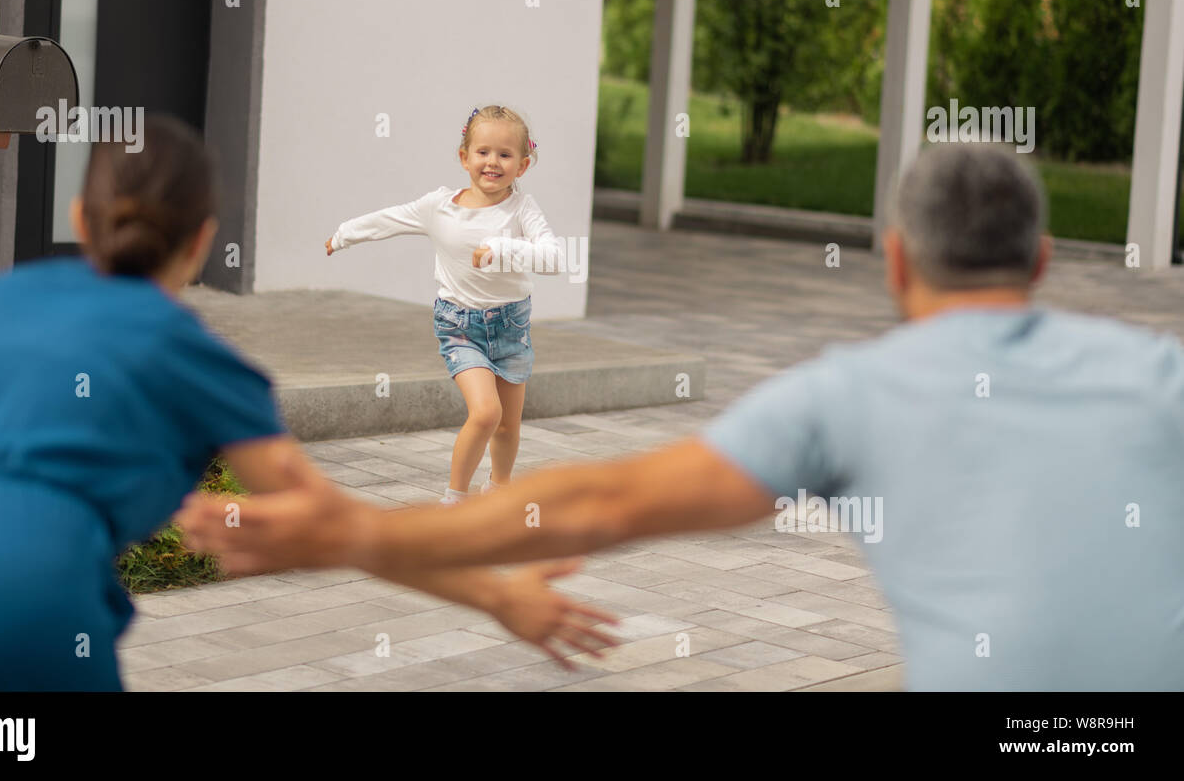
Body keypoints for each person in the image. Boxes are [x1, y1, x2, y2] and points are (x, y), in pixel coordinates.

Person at [180, 142, 1184, 691]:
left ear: (894, 260)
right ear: (1043, 261)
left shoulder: (852, 392)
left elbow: (606, 498)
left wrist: (347, 530)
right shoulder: (1162, 375)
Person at [0, 114, 614, 690]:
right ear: (202, 240)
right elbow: (335, 525)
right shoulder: (196, 360)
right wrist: (497, 598)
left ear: (80, 218)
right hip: (13, 610)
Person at [324, 105, 564, 504]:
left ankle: (499, 490)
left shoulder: (522, 209)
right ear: (464, 157)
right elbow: (389, 219)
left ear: (521, 166)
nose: (493, 162)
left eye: (505, 155)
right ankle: (455, 499)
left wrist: (503, 249)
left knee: (507, 426)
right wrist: (344, 235)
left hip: (511, 328)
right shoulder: (439, 207)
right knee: (486, 414)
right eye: (483, 152)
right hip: (460, 326)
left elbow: (555, 258)